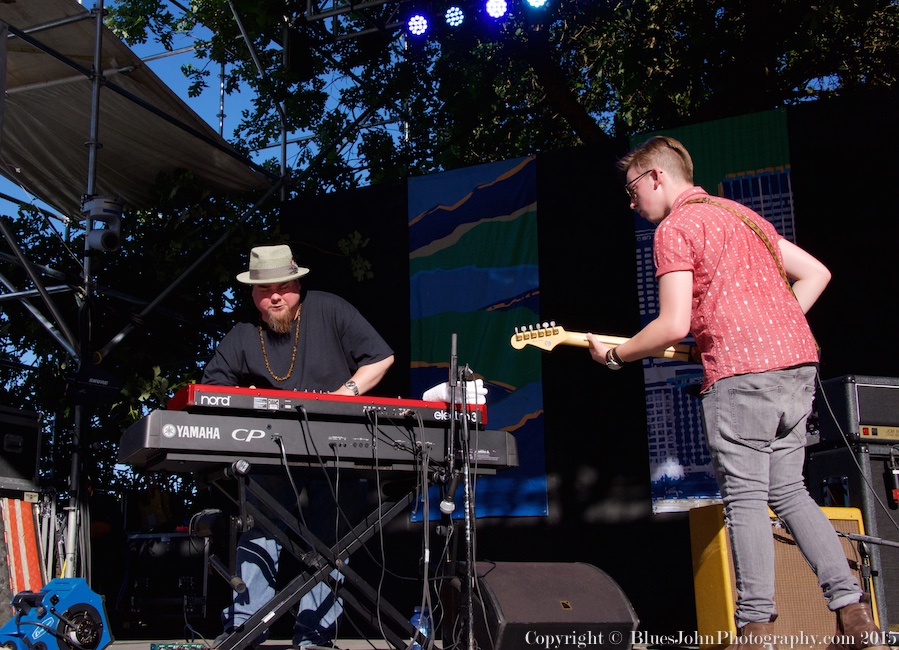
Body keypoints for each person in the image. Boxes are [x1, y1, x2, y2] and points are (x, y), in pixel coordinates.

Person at [587, 136, 887, 650]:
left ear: (657, 176)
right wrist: (768, 325)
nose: (632, 203)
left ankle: (754, 629)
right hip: (796, 366)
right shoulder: (743, 215)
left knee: (745, 499)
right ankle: (854, 612)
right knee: (790, 491)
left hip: (741, 375)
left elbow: (672, 324)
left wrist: (616, 355)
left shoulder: (675, 227)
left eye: (633, 190)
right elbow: (817, 273)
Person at [203, 244, 394, 648]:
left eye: (283, 288)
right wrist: (247, 400)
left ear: (298, 286)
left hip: (338, 445)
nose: (275, 297)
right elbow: (212, 388)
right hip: (272, 448)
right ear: (253, 294)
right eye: (264, 290)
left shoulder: (330, 309)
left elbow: (381, 358)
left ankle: (315, 634)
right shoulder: (243, 332)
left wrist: (342, 395)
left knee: (333, 541)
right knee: (259, 528)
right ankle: (246, 628)